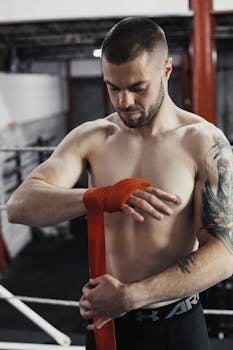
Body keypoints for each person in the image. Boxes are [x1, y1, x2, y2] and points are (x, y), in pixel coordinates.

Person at [7, 17, 233, 350]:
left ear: (166, 71)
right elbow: (19, 206)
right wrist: (98, 197)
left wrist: (131, 296)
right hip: (107, 323)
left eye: (137, 87)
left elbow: (225, 254)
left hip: (174, 326)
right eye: (113, 87)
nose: (124, 101)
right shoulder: (93, 137)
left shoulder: (202, 142)